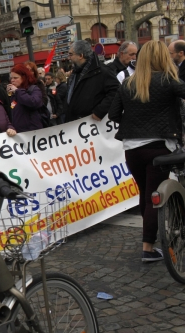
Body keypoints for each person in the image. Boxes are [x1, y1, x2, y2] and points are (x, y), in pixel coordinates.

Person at [108, 40, 185, 263]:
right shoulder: (169, 80)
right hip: (158, 148)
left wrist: (133, 124)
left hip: (132, 149)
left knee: (145, 193)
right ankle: (148, 247)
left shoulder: (128, 83)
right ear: (162, 57)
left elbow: (113, 115)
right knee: (154, 197)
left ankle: (149, 242)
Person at [64, 40, 119, 122]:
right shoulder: (76, 72)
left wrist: (100, 112)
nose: (69, 58)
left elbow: (116, 92)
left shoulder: (102, 71)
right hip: (76, 125)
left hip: (93, 125)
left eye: (71, 54)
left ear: (80, 55)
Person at [6, 64, 44, 133]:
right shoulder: (13, 93)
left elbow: (34, 102)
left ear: (24, 78)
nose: (12, 80)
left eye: (15, 78)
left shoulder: (34, 89)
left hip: (33, 132)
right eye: (11, 78)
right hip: (19, 133)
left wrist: (17, 91)